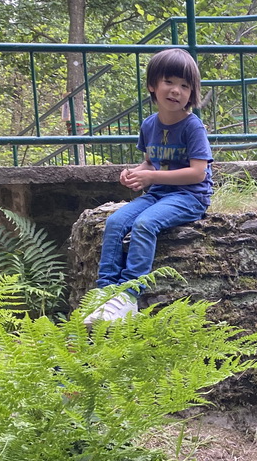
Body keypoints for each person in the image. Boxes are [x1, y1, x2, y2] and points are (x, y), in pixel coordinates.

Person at [85, 48, 213, 322]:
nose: (176, 90)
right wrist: (134, 173)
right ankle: (105, 294)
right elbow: (150, 163)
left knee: (144, 224)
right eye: (169, 82)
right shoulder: (149, 125)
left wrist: (152, 177)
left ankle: (128, 295)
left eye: (184, 86)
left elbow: (198, 173)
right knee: (115, 223)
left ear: (192, 94)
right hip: (158, 194)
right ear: (153, 86)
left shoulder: (193, 127)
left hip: (189, 197)